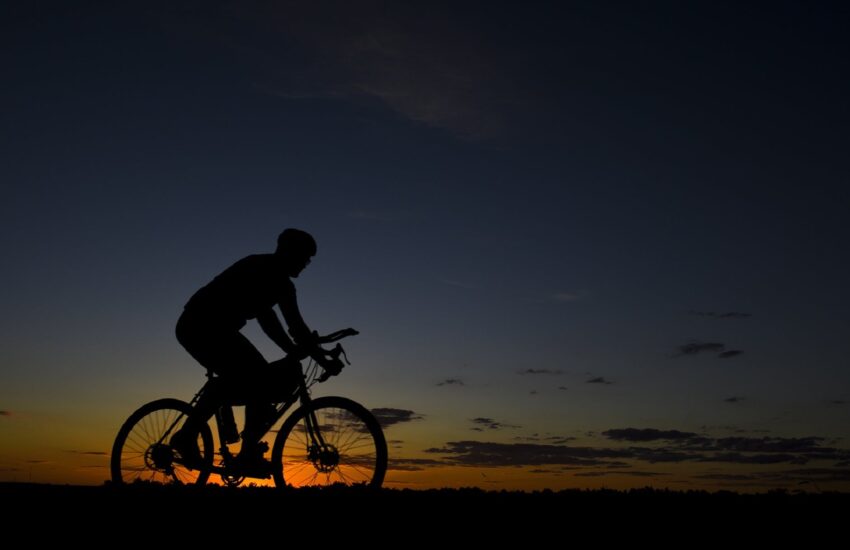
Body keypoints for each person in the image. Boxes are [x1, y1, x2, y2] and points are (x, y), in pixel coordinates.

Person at [170, 228, 330, 475]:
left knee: (256, 380)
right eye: (305, 257)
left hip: (219, 330)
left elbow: (286, 324)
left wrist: (311, 353)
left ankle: (241, 448)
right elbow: (277, 323)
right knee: (258, 378)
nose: (307, 264)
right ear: (290, 252)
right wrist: (310, 354)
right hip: (200, 325)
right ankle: (195, 439)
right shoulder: (260, 268)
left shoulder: (283, 285)